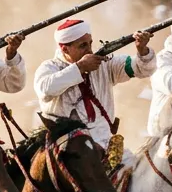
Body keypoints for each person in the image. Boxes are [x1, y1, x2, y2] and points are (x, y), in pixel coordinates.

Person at [35, 18, 155, 147]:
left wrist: (142, 50)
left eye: (90, 43)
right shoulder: (50, 67)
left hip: (105, 143)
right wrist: (80, 67)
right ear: (65, 49)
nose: (90, 50)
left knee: (136, 164)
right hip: (68, 149)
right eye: (83, 46)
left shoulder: (103, 63)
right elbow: (45, 90)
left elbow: (141, 69)